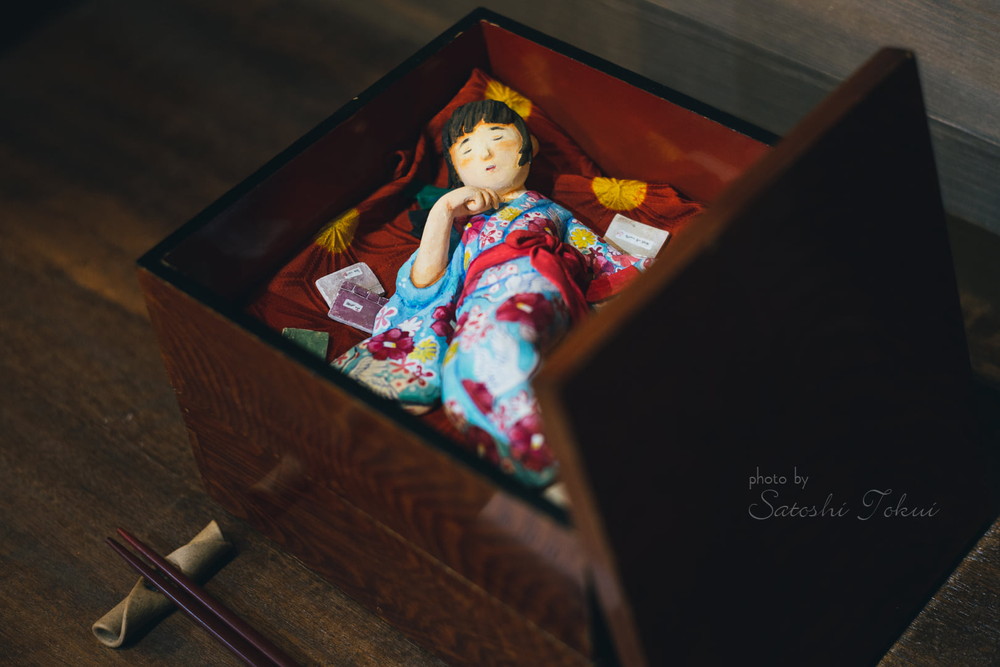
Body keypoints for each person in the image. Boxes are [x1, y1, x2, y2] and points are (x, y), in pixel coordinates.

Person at [333, 100, 647, 487]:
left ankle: (552, 458)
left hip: (531, 280)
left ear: (528, 145)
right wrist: (444, 210)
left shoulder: (549, 211)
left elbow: (599, 256)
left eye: (497, 138)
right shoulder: (464, 226)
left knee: (497, 343)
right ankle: (547, 457)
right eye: (467, 149)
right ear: (456, 169)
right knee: (459, 370)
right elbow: (422, 287)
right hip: (479, 303)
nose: (484, 154)